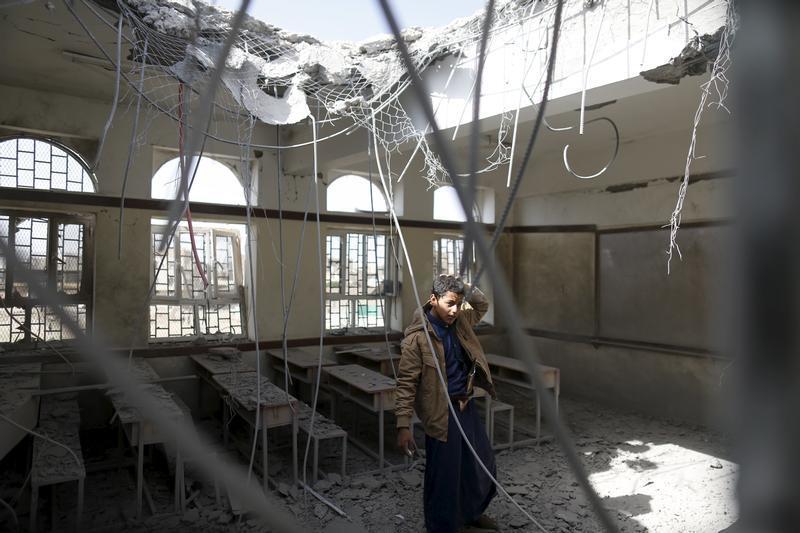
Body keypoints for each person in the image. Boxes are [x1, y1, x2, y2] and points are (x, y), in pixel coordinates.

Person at [395, 274, 498, 532]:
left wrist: (465, 288)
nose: (454, 310)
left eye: (458, 303)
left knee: (479, 464)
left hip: (466, 406)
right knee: (444, 476)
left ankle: (471, 512)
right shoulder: (417, 339)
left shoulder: (460, 321)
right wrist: (403, 425)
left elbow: (482, 306)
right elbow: (406, 383)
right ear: (433, 300)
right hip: (441, 413)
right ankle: (442, 527)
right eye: (450, 303)